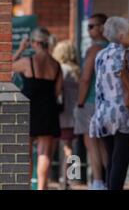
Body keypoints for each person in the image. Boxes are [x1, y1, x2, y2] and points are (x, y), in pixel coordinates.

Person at [89, 16, 129, 190]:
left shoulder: (100, 55)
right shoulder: (127, 54)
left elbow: (99, 86)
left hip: (103, 115)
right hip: (125, 115)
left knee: (111, 160)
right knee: (120, 163)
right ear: (121, 35)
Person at [12, 27, 63, 190]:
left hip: (29, 108)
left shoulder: (29, 61)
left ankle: (25, 186)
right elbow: (57, 91)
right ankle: (42, 187)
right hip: (48, 109)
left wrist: (20, 48)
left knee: (25, 153)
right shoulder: (56, 65)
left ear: (34, 43)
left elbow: (6, 67)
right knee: (44, 153)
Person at [74, 13, 109, 190]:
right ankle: (109, 178)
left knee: (91, 143)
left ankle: (97, 181)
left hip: (90, 101)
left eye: (91, 26)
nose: (88, 30)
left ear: (102, 27)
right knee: (102, 144)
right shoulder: (112, 47)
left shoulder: (94, 49)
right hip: (106, 102)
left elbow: (85, 78)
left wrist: (79, 103)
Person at [52, 40, 80, 190]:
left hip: (60, 115)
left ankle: (58, 179)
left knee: (51, 147)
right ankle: (69, 179)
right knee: (70, 149)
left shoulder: (60, 69)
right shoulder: (77, 71)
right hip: (74, 115)